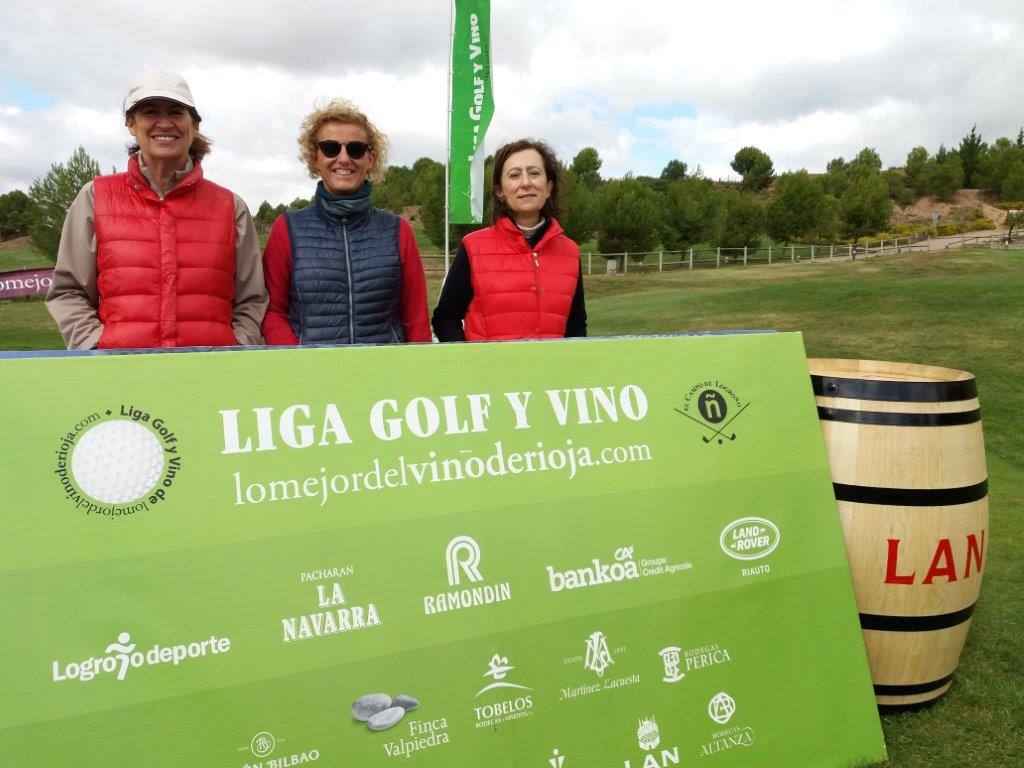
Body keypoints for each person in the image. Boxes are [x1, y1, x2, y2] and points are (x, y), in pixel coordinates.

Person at [45, 71, 267, 349]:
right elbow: (69, 290)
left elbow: (252, 299)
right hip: (120, 379)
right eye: (150, 112)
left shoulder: (230, 206)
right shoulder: (95, 197)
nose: (164, 123)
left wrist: (237, 343)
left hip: (212, 379)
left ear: (194, 124)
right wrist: (95, 344)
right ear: (130, 123)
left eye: (176, 112)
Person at [261, 99, 430, 345]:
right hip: (311, 378)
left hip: (387, 378)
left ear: (370, 159)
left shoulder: (397, 230)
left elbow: (416, 319)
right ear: (315, 158)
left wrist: (417, 373)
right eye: (330, 148)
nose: (343, 158)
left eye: (355, 149)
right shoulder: (287, 229)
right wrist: (298, 363)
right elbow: (273, 311)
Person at [432, 138, 586, 342]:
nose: (526, 183)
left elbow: (576, 326)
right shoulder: (473, 247)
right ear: (500, 191)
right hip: (487, 372)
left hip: (552, 373)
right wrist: (469, 363)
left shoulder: (570, 252)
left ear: (549, 187)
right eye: (514, 175)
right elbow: (446, 318)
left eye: (534, 173)